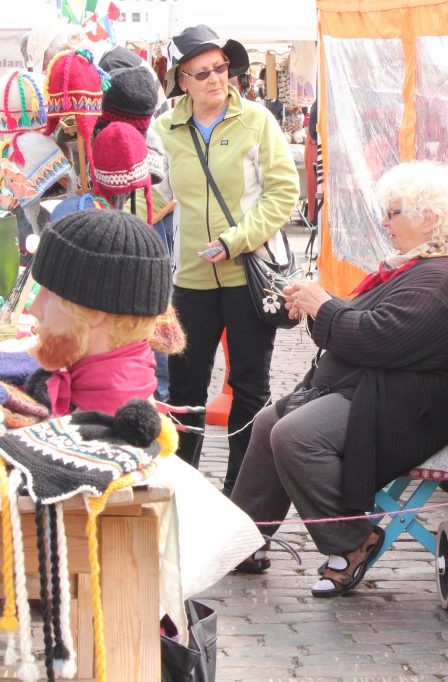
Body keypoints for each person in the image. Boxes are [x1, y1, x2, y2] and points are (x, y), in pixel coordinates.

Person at [230, 161, 448, 598]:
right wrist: (319, 305)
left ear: (428, 218)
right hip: (387, 387)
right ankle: (246, 540)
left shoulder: (440, 279)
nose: (385, 223)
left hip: (411, 409)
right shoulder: (431, 262)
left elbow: (375, 337)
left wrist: (323, 307)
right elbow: (376, 322)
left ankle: (352, 541)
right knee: (271, 421)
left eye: (393, 213)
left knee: (296, 435)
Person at [152, 24, 299, 495]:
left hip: (249, 276)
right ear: (182, 81)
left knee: (250, 387)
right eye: (202, 72)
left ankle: (243, 496)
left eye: (220, 67)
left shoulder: (257, 120)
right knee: (185, 390)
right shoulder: (164, 129)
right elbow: (157, 194)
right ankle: (182, 492)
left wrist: (236, 241)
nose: (216, 78)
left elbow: (283, 193)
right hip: (191, 280)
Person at [24, 209, 172, 417]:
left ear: (93, 313)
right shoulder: (116, 395)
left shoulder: (108, 430)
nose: (34, 308)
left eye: (49, 295)